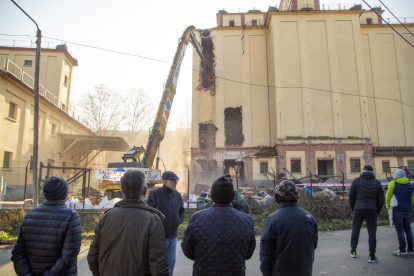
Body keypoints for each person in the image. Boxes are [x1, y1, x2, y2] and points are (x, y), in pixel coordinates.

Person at [87, 169, 168, 275]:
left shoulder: (106, 217)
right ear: (145, 190)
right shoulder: (153, 221)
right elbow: (158, 267)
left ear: (122, 190)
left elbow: (92, 257)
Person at [181, 176, 256, 275]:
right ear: (232, 196)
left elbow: (187, 249)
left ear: (212, 196)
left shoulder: (197, 218)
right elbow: (248, 253)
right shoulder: (247, 220)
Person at [11, 177, 82, 276]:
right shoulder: (71, 217)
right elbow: (68, 257)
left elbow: (18, 254)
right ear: (65, 194)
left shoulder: (29, 215)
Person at [260, 180, 318, 276]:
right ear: (296, 195)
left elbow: (266, 252)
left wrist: (266, 272)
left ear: (277, 197)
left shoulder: (273, 219)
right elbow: (313, 245)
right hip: (304, 270)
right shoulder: (309, 217)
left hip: (280, 271)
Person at [147, 171, 185, 276]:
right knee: (158, 264)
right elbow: (149, 211)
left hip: (173, 236)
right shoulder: (155, 194)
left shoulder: (177, 195)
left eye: (176, 181)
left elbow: (182, 210)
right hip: (159, 237)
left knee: (171, 262)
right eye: (173, 181)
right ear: (165, 182)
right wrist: (156, 225)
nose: (175, 183)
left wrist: (179, 220)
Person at [349, 165, 385, 263]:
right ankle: (371, 256)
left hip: (358, 209)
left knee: (355, 230)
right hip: (372, 210)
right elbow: (381, 200)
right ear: (372, 172)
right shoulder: (377, 183)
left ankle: (353, 251)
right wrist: (377, 211)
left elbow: (351, 197)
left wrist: (354, 209)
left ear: (363, 171)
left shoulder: (356, 181)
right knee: (372, 233)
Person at [385, 169, 414, 258]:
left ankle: (402, 251)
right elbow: (412, 197)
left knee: (400, 230)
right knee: (408, 230)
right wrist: (409, 206)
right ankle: (411, 250)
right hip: (408, 210)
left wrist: (389, 208)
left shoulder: (393, 183)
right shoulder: (410, 185)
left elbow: (388, 196)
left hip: (397, 210)